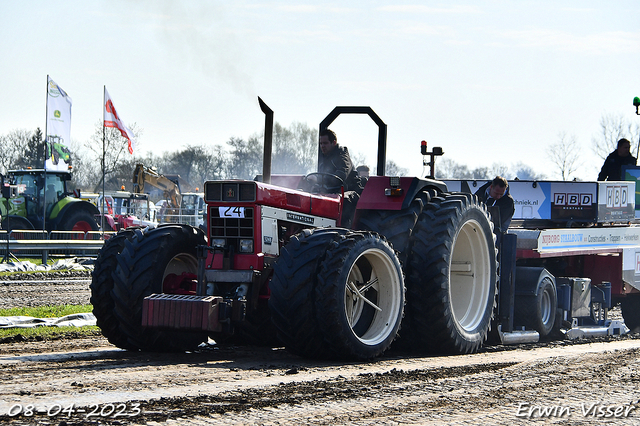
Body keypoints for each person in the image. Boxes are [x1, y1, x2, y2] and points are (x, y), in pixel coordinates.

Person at [317, 129, 363, 227]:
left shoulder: (342, 156)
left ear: (334, 143)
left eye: (325, 143)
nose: (322, 146)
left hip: (350, 190)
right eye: (321, 143)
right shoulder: (324, 159)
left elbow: (342, 172)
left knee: (343, 199)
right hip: (332, 190)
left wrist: (328, 180)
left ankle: (344, 228)